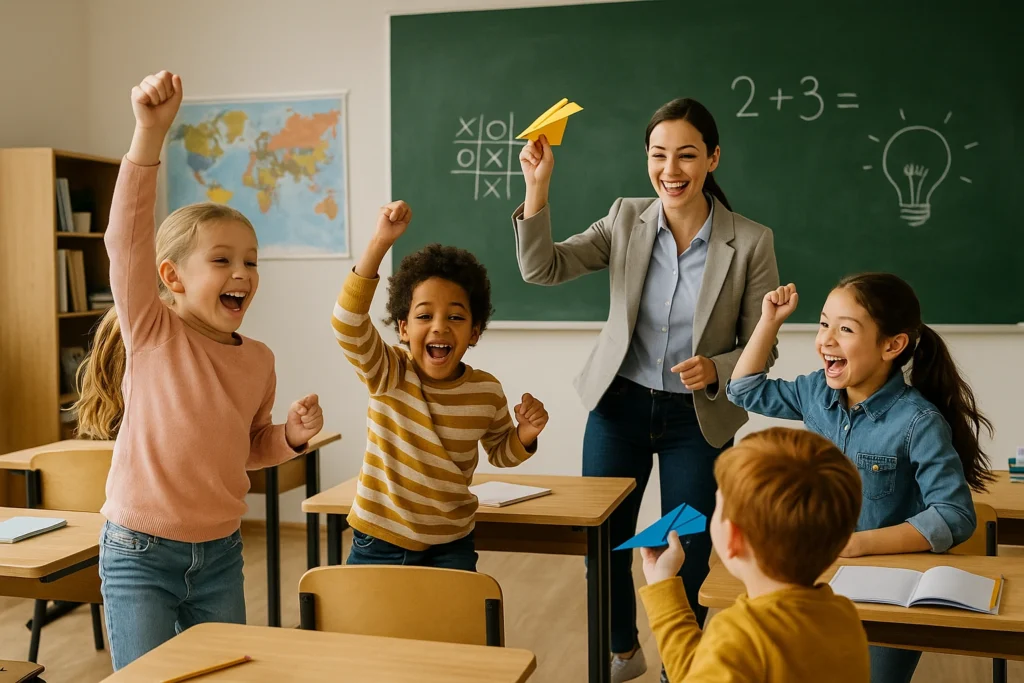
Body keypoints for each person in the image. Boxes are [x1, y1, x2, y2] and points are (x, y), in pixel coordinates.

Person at [514, 97, 780, 681]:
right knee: (604, 542)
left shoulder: (751, 242)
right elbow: (543, 268)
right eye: (658, 156)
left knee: (688, 553)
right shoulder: (626, 218)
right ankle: (622, 652)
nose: (671, 170)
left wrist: (715, 367)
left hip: (698, 419)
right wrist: (538, 188)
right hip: (619, 406)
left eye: (687, 155)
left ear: (713, 158)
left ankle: (682, 672)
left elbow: (763, 345)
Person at [75, 70, 323, 669]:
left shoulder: (258, 360)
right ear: (171, 276)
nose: (242, 272)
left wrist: (288, 437)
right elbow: (125, 240)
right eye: (222, 260)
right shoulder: (152, 329)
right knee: (145, 679)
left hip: (219, 553)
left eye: (251, 262)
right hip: (140, 550)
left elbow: (247, 447)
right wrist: (148, 136)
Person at [332, 200, 548, 570]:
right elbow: (348, 323)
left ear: (474, 332)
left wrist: (525, 433)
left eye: (455, 317)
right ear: (403, 328)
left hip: (452, 541)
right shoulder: (388, 372)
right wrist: (380, 243)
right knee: (369, 627)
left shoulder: (486, 391)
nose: (439, 327)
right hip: (381, 538)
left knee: (450, 627)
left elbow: (501, 453)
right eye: (424, 315)